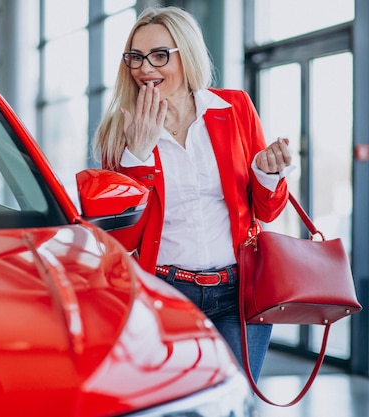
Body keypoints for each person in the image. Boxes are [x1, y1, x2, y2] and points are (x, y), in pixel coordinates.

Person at [93, 6, 293, 382]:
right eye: (136, 57)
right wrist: (136, 157)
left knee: (234, 401)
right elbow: (120, 239)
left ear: (187, 56)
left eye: (159, 56)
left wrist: (268, 173)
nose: (145, 69)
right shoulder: (120, 133)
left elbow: (266, 211)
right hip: (165, 294)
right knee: (178, 401)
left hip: (239, 294)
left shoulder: (234, 109)